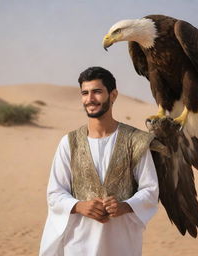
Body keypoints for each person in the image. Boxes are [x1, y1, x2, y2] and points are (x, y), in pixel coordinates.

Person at [39, 66, 159, 256]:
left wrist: (124, 206)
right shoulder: (69, 143)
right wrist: (79, 206)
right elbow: (54, 193)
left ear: (113, 95)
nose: (90, 99)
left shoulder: (135, 140)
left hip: (122, 243)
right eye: (85, 93)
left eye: (97, 92)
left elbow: (150, 190)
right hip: (78, 244)